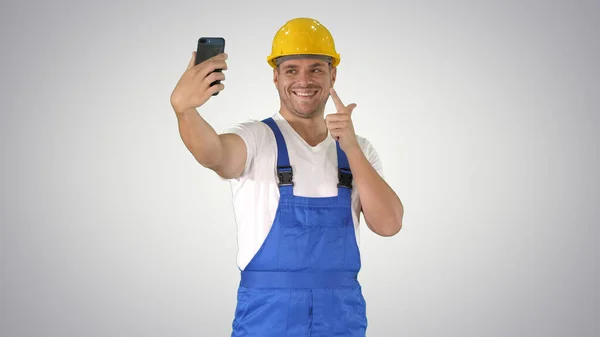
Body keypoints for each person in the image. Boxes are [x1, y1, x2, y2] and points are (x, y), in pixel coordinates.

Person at [170, 17, 404, 337]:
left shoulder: (357, 150)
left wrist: (351, 147)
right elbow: (215, 156)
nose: (304, 80)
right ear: (276, 76)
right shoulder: (257, 137)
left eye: (316, 69)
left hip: (340, 317)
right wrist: (185, 111)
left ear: (333, 74)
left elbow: (389, 224)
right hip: (267, 316)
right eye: (292, 69)